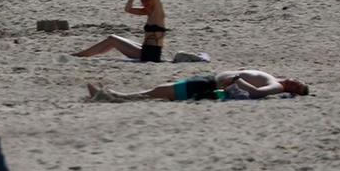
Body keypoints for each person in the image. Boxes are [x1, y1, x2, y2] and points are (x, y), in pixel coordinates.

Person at [73, 0, 167, 63]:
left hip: (149, 55)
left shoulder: (158, 13)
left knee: (112, 39)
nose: (145, 2)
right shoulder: (147, 12)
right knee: (112, 41)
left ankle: (80, 55)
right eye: (142, 0)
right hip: (147, 50)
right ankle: (86, 54)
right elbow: (128, 9)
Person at [87, 70, 310, 102]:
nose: (293, 83)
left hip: (212, 87)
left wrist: (236, 80)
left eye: (296, 87)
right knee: (163, 89)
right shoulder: (275, 78)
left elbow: (257, 93)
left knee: (162, 91)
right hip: (210, 81)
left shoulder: (276, 86)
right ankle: (116, 95)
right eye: (296, 81)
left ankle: (115, 96)